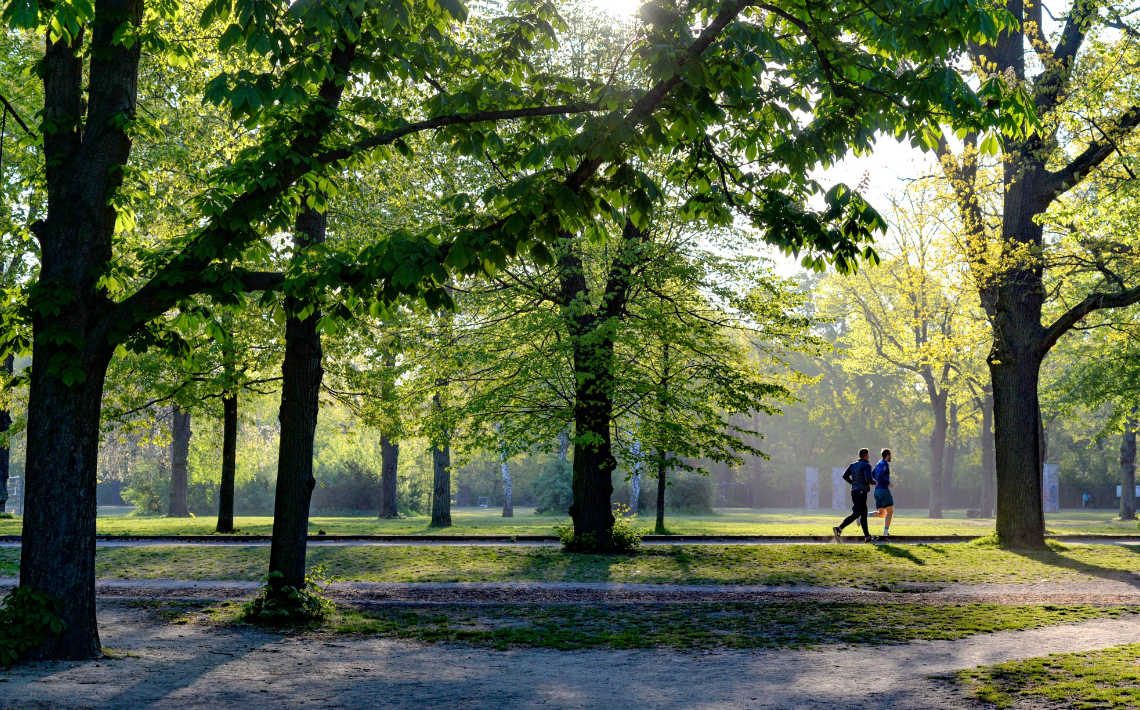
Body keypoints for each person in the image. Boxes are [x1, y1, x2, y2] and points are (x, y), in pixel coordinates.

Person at [832, 448, 878, 543]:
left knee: (864, 514)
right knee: (857, 513)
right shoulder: (866, 465)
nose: (868, 456)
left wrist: (853, 483)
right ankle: (839, 528)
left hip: (854, 491)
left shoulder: (853, 465)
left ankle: (867, 537)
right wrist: (874, 482)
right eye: (868, 455)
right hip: (861, 492)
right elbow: (868, 479)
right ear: (865, 455)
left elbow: (844, 476)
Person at [869, 448, 894, 539]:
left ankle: (864, 515)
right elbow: (880, 475)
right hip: (883, 490)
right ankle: (885, 532)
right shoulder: (884, 464)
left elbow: (872, 474)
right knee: (890, 512)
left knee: (882, 514)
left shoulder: (878, 464)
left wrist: (875, 483)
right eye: (890, 455)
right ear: (887, 455)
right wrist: (888, 483)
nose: (891, 456)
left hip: (877, 491)